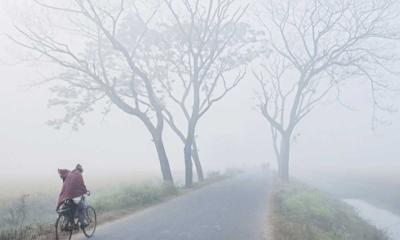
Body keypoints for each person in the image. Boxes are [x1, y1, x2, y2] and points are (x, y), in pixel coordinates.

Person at [57, 164, 90, 228]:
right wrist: (85, 191)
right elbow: (82, 185)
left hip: (67, 196)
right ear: (80, 170)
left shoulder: (70, 173)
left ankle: (68, 224)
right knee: (82, 207)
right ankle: (83, 223)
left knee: (68, 209)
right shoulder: (78, 175)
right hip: (74, 196)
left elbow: (64, 172)